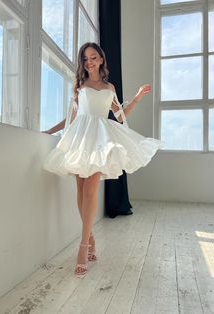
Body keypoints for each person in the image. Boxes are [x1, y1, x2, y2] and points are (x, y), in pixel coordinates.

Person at [43, 42, 162, 275]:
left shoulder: (109, 87)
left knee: (90, 191)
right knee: (80, 189)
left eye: (93, 57)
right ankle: (92, 237)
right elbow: (72, 116)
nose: (89, 62)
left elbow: (119, 117)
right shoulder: (79, 84)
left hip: (101, 138)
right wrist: (49, 131)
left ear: (101, 59)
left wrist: (136, 98)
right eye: (85, 59)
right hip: (81, 136)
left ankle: (83, 245)